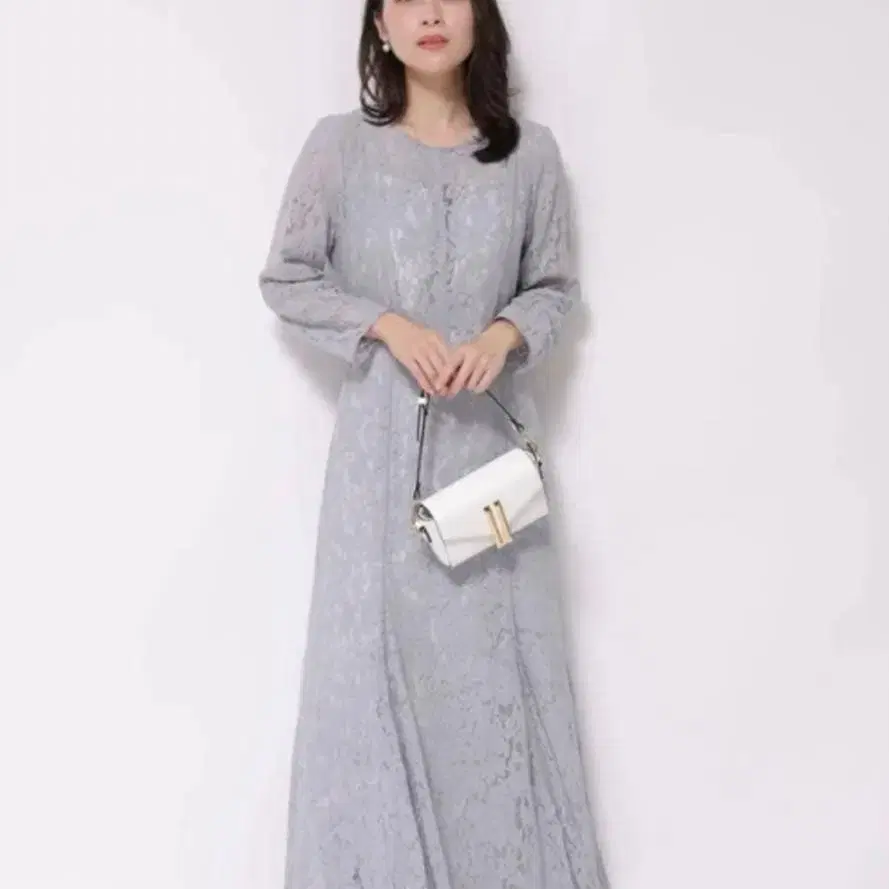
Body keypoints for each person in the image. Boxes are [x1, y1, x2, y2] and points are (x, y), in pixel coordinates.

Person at [257, 0, 611, 886]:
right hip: (380, 464)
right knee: (373, 675)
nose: (428, 13)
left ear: (478, 19)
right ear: (379, 26)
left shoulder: (530, 156)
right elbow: (287, 278)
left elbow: (553, 286)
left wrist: (502, 334)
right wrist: (384, 323)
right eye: (405, 0)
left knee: (498, 682)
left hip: (491, 470)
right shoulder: (339, 148)